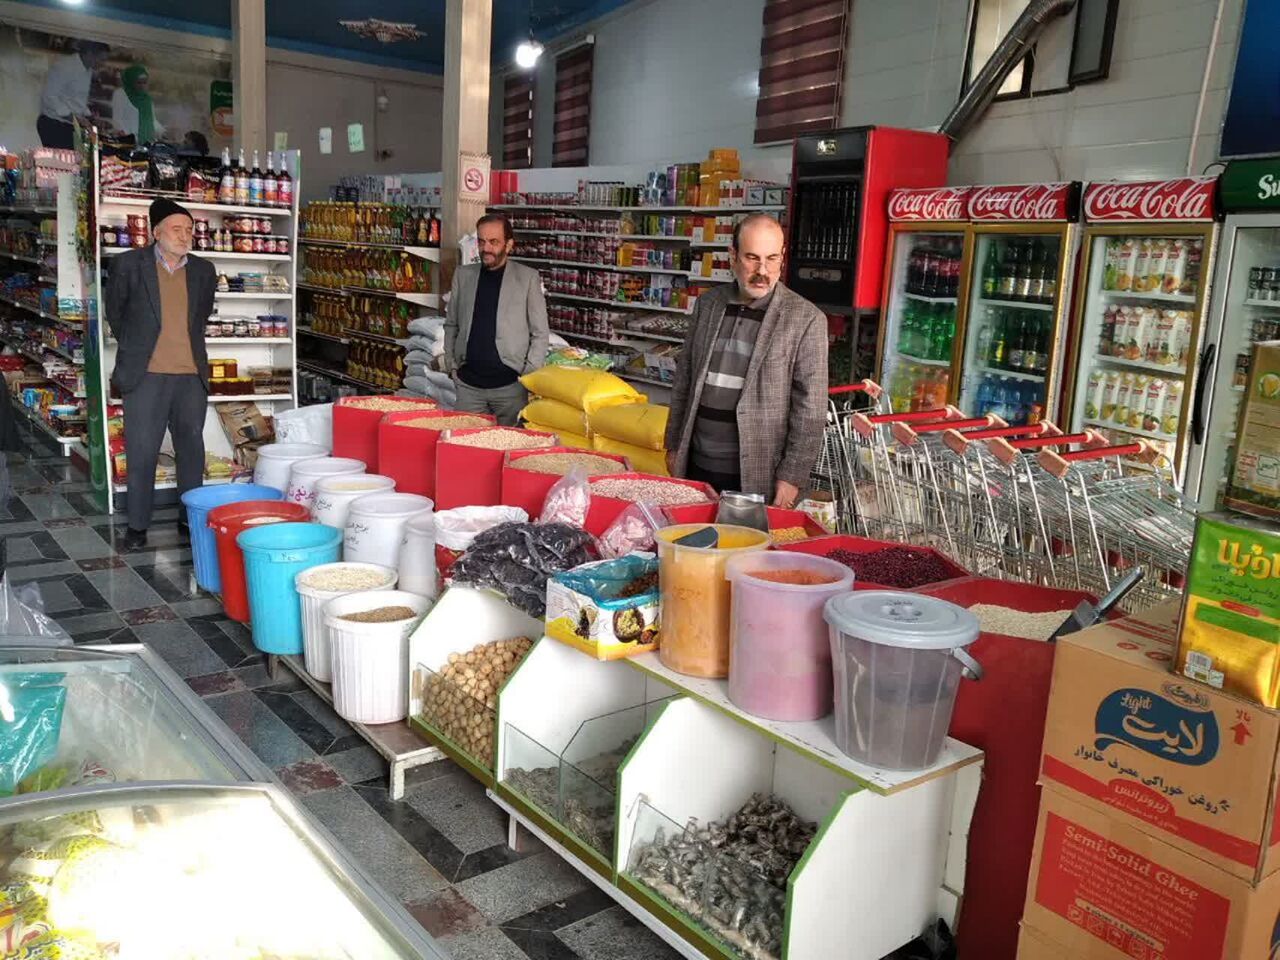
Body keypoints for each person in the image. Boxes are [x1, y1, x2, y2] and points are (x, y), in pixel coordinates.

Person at [664, 213, 828, 508]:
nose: (762, 271)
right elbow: (684, 377)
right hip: (696, 463)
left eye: (772, 259)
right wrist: (674, 443)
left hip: (757, 473)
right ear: (733, 256)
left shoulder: (805, 319)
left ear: (782, 257)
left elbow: (810, 408)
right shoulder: (708, 305)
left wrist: (792, 476)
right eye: (752, 258)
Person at [104, 199, 216, 549]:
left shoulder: (203, 270)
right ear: (156, 232)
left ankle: (188, 519)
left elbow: (201, 316)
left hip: (190, 375)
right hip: (146, 375)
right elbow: (116, 314)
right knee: (142, 451)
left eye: (189, 230)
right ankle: (137, 527)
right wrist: (139, 349)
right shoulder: (128, 265)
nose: (184, 236)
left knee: (191, 450)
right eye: (176, 229)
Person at [442, 213, 549, 426]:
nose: (486, 248)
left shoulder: (527, 278)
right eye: (481, 242)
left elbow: (540, 333)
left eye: (494, 242)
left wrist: (527, 375)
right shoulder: (463, 275)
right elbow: (451, 324)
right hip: (469, 386)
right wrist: (452, 365)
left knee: (508, 442)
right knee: (464, 442)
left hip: (510, 388)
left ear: (509, 245)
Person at [37, 41, 109, 149]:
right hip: (54, 125)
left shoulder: (87, 70)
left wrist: (91, 117)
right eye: (101, 59)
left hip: (70, 126)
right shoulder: (64, 66)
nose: (103, 64)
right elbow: (49, 97)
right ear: (89, 53)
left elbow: (77, 100)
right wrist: (74, 118)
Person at [110, 64, 160, 143]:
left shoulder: (147, 100)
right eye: (139, 83)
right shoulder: (120, 95)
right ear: (130, 82)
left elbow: (153, 121)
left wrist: (163, 131)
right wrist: (126, 136)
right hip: (127, 141)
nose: (142, 86)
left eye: (144, 82)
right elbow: (117, 120)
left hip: (146, 143)